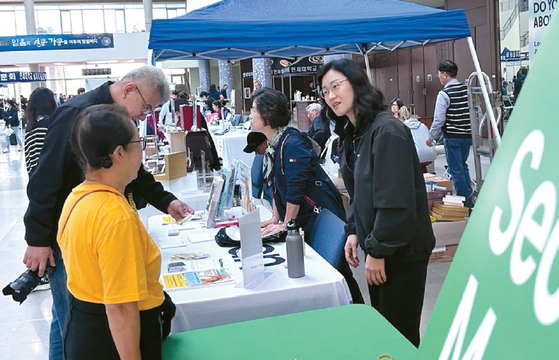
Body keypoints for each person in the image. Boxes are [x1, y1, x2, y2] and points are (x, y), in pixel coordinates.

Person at [22, 65, 194, 360]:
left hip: (93, 218)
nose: (145, 116)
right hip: (82, 231)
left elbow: (134, 172)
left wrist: (165, 201)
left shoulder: (116, 124)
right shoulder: (76, 113)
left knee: (77, 313)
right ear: (129, 89)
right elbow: (45, 178)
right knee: (69, 314)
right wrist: (37, 238)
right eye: (147, 106)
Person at [318, 59, 434, 347]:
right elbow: (361, 194)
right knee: (382, 329)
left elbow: (395, 202)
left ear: (356, 84)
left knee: (399, 333)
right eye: (324, 91)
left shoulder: (388, 132)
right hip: (378, 244)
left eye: (336, 86)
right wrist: (354, 229)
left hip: (402, 250)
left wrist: (378, 251)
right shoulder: (352, 134)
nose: (331, 96)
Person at [59, 104, 172, 360]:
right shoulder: (115, 217)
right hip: (114, 340)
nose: (142, 149)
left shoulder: (77, 197)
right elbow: (120, 306)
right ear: (119, 153)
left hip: (83, 325)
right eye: (138, 141)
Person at [250, 87, 364, 304]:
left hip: (318, 213)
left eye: (254, 110)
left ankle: (356, 309)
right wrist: (276, 218)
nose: (250, 115)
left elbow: (296, 187)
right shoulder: (276, 143)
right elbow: (276, 183)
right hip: (302, 216)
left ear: (267, 114)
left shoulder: (292, 142)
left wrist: (287, 223)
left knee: (336, 271)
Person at [426, 60, 473, 208]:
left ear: (445, 74)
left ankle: (463, 202)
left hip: (452, 137)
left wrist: (430, 136)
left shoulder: (445, 93)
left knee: (455, 170)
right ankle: (470, 196)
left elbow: (439, 119)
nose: (438, 77)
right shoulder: (468, 90)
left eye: (439, 74)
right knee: (462, 166)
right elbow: (476, 112)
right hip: (467, 136)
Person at [24, 87, 58, 175]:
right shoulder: (53, 126)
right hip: (53, 180)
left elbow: (30, 161)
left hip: (36, 181)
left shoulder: (30, 128)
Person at [243, 131, 272, 206]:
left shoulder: (274, 158)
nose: (256, 154)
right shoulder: (265, 157)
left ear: (265, 143)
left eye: (257, 150)